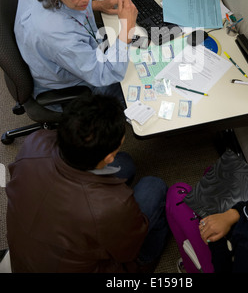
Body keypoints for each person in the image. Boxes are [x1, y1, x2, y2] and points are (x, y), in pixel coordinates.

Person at [5, 93, 169, 273]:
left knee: (125, 163)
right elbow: (125, 253)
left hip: (27, 258)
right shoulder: (114, 204)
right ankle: (145, 261)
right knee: (154, 186)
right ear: (108, 157)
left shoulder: (34, 142)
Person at [14, 0, 138, 103]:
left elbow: (67, 6)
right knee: (135, 85)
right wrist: (127, 30)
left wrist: (98, 4)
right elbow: (106, 74)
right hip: (72, 86)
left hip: (69, 57)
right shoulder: (58, 36)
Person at [167, 132, 248, 273]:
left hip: (229, 259)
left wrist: (215, 241)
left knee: (176, 193)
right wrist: (233, 213)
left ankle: (190, 267)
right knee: (213, 173)